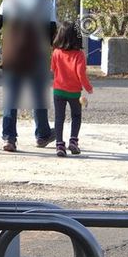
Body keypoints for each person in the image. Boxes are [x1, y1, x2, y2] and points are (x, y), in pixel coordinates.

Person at [0, 0, 56, 152]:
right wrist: (59, 56)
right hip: (36, 56)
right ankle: (42, 135)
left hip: (12, 56)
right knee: (38, 97)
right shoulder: (45, 1)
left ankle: (9, 138)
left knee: (11, 97)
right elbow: (51, 33)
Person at [50, 22, 92, 157]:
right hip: (74, 92)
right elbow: (81, 74)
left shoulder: (56, 52)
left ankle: (59, 145)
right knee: (76, 116)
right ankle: (73, 141)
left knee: (59, 118)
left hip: (58, 90)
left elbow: (53, 70)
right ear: (77, 37)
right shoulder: (79, 55)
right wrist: (88, 88)